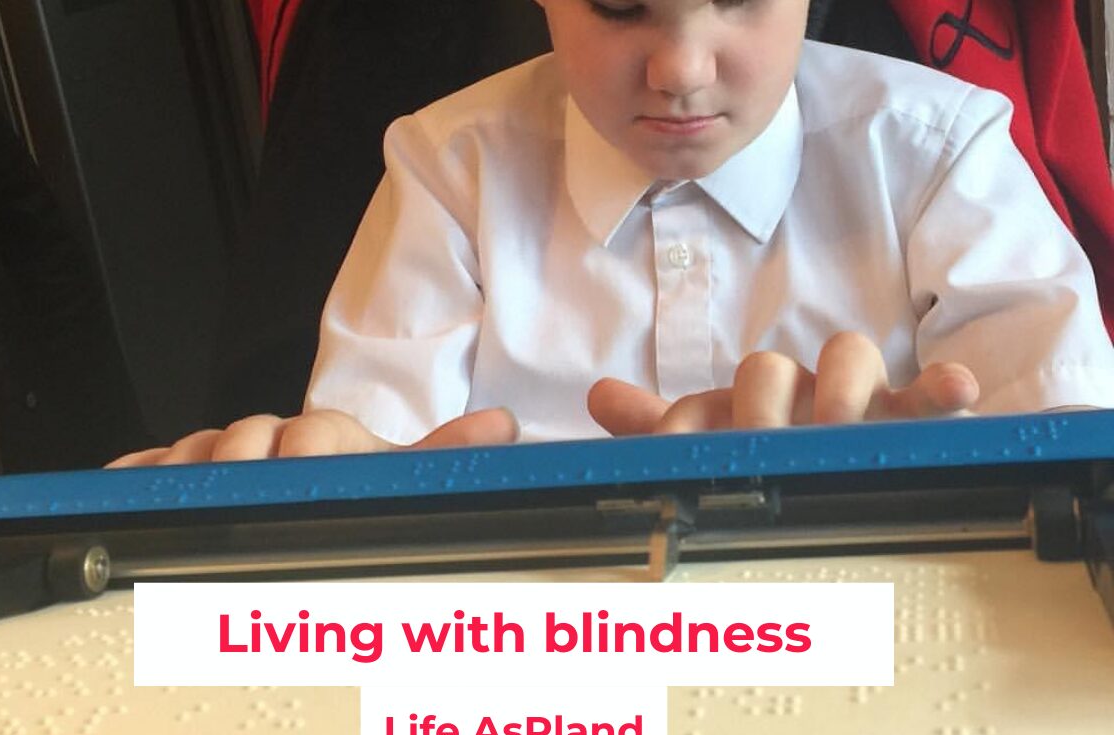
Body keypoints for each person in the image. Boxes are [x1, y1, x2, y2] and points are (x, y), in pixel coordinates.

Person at [110, 0, 1114, 468]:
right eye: (621, 8)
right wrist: (298, 487)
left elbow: (1082, 461)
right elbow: (374, 466)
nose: (680, 66)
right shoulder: (448, 167)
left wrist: (930, 492)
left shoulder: (941, 150)